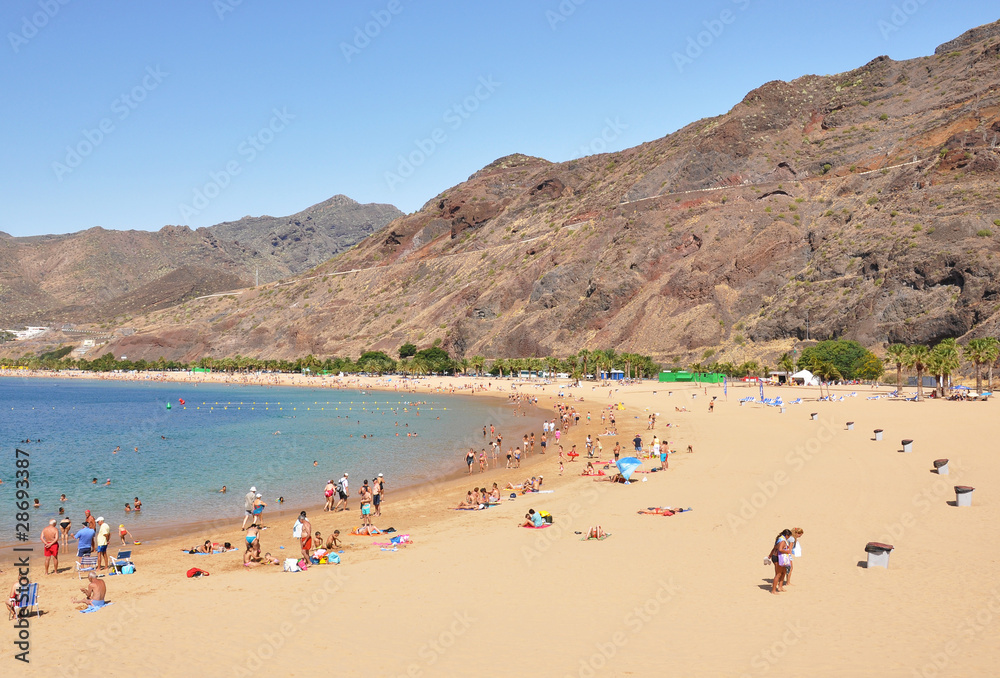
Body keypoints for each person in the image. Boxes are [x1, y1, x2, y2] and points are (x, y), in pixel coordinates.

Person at [768, 529, 793, 594]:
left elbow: (774, 548)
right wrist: (787, 551)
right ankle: (773, 590)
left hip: (776, 556)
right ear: (786, 535)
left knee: (783, 572)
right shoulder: (782, 541)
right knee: (778, 574)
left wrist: (770, 555)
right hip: (778, 557)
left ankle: (780, 587)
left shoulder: (779, 539)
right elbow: (780, 549)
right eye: (789, 536)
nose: (789, 537)